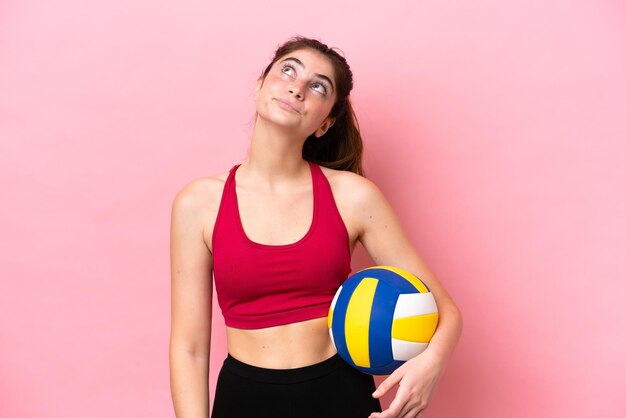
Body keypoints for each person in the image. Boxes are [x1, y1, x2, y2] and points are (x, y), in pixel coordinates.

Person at [169, 36, 462, 418]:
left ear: (326, 123)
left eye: (318, 86)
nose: (297, 87)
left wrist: (430, 366)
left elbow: (445, 310)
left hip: (338, 394)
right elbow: (189, 348)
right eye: (288, 70)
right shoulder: (198, 202)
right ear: (260, 84)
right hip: (244, 400)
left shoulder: (353, 197)